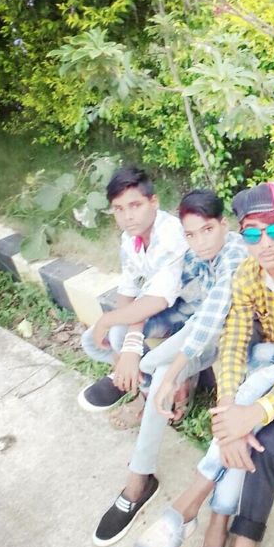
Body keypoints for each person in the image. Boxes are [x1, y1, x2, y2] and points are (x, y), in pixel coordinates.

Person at [133, 181, 274, 547]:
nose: (264, 243)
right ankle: (213, 535)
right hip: (264, 365)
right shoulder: (248, 274)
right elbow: (234, 340)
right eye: (252, 233)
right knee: (242, 429)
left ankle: (191, 506)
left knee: (253, 395)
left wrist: (252, 411)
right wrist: (229, 410)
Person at [92, 189, 248, 547]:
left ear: (223, 225)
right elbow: (159, 290)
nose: (199, 241)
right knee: (122, 339)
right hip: (198, 325)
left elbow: (210, 321)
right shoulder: (192, 249)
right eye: (191, 234)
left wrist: (159, 365)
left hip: (230, 338)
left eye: (207, 230)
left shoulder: (235, 253)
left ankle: (137, 481)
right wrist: (132, 341)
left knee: (159, 369)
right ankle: (154, 391)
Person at [78, 166, 188, 412]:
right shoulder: (130, 238)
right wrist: (123, 348)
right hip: (159, 303)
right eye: (119, 209)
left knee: (118, 332)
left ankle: (153, 395)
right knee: (92, 339)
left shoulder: (170, 235)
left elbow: (157, 299)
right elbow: (129, 288)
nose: (128, 216)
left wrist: (122, 334)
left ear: (153, 202)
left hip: (189, 309)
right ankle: (128, 375)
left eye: (135, 205)